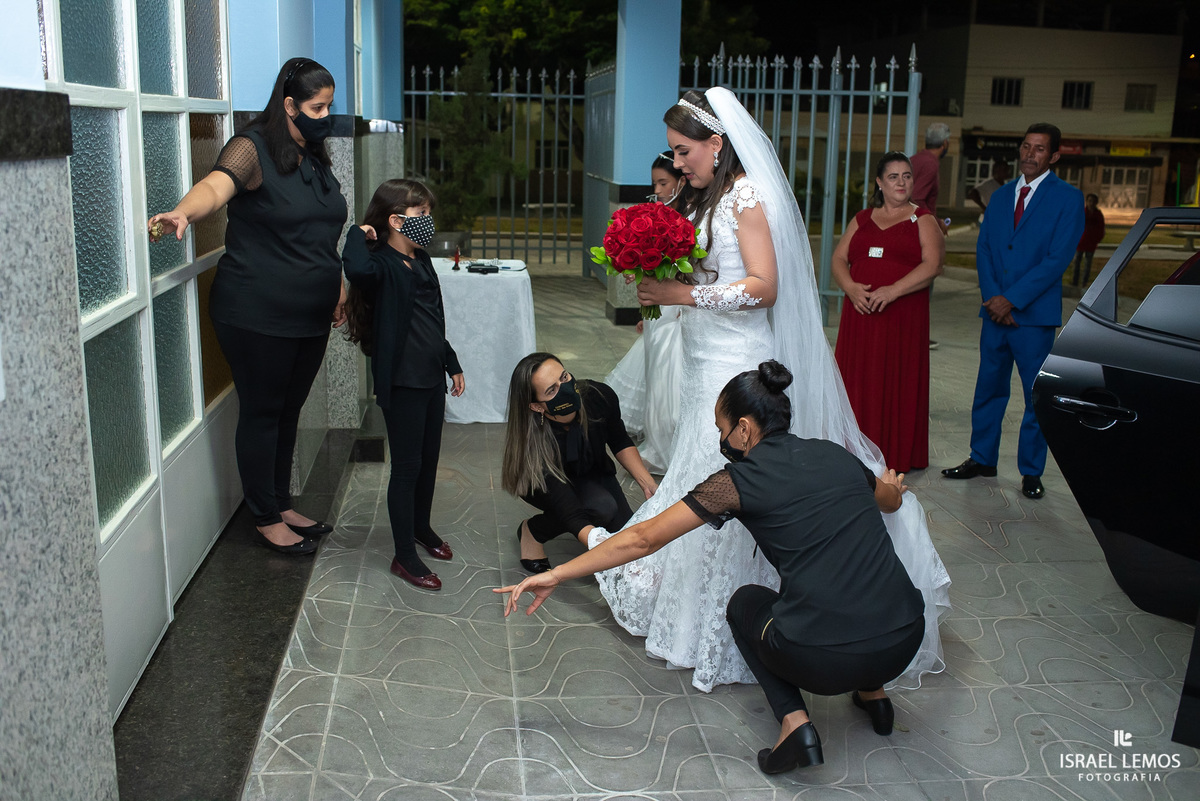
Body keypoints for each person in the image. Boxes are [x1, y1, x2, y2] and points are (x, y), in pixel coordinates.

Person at [582, 87, 949, 693]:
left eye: (683, 151)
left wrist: (683, 294)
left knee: (729, 480)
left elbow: (764, 285)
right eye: (673, 153)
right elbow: (707, 270)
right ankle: (692, 609)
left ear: (716, 143)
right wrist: (660, 271)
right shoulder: (702, 199)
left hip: (736, 359)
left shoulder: (745, 196)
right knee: (698, 475)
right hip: (703, 355)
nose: (676, 163)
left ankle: (741, 618)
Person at [497, 362, 926, 774]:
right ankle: (875, 694)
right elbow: (888, 500)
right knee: (860, 589)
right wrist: (893, 488)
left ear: (744, 429)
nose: (721, 438)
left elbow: (643, 538)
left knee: (744, 603)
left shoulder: (737, 481)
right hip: (906, 636)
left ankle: (795, 725)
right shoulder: (835, 454)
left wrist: (557, 573)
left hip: (824, 661)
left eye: (722, 430)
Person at [148, 58, 347, 555]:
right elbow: (216, 186)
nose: (325, 116)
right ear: (288, 105)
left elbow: (320, 232)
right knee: (263, 412)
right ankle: (264, 517)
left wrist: (338, 283)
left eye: (329, 106)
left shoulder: (314, 154)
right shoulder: (252, 146)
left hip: (310, 311)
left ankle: (280, 502)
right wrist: (183, 213)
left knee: (288, 411)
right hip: (257, 310)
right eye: (316, 107)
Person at [943, 123, 1084, 500]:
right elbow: (985, 249)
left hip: (1033, 317)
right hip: (994, 314)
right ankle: (982, 458)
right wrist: (993, 297)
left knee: (1035, 395)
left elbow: (1057, 260)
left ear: (1054, 156)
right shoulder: (1003, 196)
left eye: (1039, 149)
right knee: (988, 388)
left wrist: (1012, 299)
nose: (1029, 154)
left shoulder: (1068, 199)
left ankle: (1030, 472)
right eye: (1026, 146)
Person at [341, 179, 464, 590]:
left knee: (428, 462)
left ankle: (421, 528)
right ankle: (404, 557)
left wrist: (451, 361)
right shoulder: (380, 265)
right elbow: (355, 267)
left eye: (429, 213)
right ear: (395, 220)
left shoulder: (422, 259)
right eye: (421, 214)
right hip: (403, 380)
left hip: (430, 375)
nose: (428, 221)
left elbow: (431, 318)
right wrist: (357, 233)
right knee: (407, 467)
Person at [832, 152, 945, 472]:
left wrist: (892, 291)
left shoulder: (923, 219)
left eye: (907, 176)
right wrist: (851, 287)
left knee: (896, 379)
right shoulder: (863, 218)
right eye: (893, 176)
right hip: (861, 315)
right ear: (880, 183)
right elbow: (838, 259)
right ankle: (854, 447)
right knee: (858, 378)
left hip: (901, 317)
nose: (901, 182)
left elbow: (933, 265)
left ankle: (893, 452)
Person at [503, 353, 657, 573]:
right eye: (551, 390)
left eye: (564, 377)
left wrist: (647, 482)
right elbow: (571, 512)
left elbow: (619, 440)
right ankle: (534, 531)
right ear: (537, 407)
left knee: (628, 531)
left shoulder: (599, 397)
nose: (564, 388)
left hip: (590, 469)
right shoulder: (535, 443)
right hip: (545, 484)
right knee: (602, 508)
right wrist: (605, 551)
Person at [606, 151, 686, 472]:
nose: (658, 189)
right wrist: (636, 266)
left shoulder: (689, 217)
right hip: (658, 307)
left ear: (681, 181)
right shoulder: (658, 215)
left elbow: (688, 270)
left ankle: (671, 440)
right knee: (656, 371)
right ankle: (657, 437)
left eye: (664, 182)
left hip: (678, 307)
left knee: (672, 375)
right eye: (655, 183)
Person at [909, 122, 951, 233]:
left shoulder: (913, 159)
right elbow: (917, 199)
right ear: (945, 143)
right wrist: (937, 223)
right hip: (918, 228)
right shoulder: (931, 165)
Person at [1072, 193, 1105, 287]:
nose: (1091, 203)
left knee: (1087, 264)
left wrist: (1097, 239)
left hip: (1091, 243)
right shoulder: (1082, 212)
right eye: (1089, 201)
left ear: (1096, 203)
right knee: (1077, 263)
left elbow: (1101, 228)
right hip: (1080, 242)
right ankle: (1075, 282)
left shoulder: (1098, 215)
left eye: (1093, 201)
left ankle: (1084, 282)